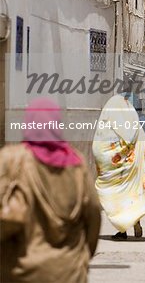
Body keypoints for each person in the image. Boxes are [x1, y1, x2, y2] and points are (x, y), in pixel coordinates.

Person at [0, 98, 101, 283]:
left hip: (19, 270)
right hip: (69, 272)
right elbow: (93, 214)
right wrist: (83, 256)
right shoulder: (77, 163)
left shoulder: (11, 159)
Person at [92, 94, 145, 240]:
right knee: (132, 195)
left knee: (117, 197)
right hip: (132, 168)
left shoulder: (109, 124)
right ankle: (135, 221)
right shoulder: (134, 125)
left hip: (115, 174)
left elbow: (101, 147)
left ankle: (122, 229)